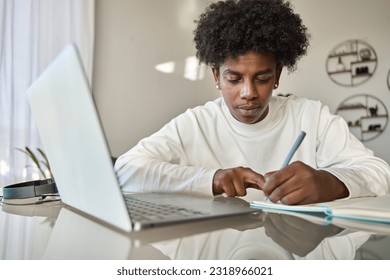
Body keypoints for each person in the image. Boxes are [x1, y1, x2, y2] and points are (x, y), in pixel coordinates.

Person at [115, 0, 390, 205]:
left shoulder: (311, 116)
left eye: (262, 78)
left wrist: (330, 183)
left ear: (278, 75)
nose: (248, 93)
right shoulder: (197, 123)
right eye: (234, 79)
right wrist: (212, 179)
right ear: (216, 76)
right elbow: (126, 171)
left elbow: (380, 173)